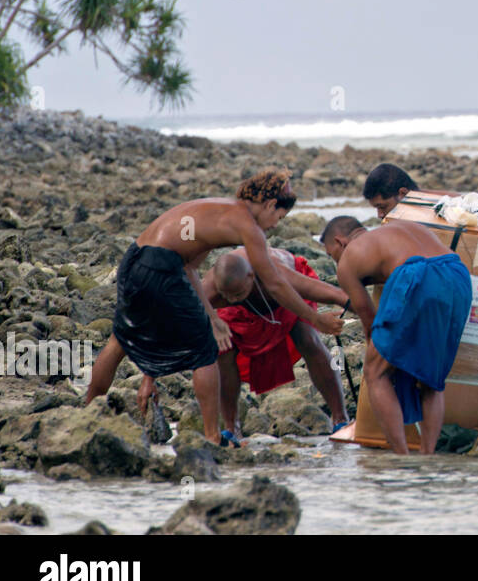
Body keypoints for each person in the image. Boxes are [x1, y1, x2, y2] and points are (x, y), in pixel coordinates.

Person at [83, 169, 345, 446]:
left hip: (135, 259)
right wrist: (316, 319)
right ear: (269, 205)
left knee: (119, 340)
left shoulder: (216, 213)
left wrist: (212, 317)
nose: (275, 226)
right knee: (205, 351)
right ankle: (212, 436)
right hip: (161, 264)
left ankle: (89, 412)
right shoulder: (248, 226)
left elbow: (190, 267)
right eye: (278, 218)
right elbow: (276, 284)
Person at [320, 215, 471, 454]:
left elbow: (369, 318)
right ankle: (427, 454)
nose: (334, 260)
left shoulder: (348, 260)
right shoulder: (399, 227)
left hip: (419, 276)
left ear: (340, 242)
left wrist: (379, 354)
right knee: (431, 379)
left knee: (375, 372)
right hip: (457, 274)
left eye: (331, 254)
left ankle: (402, 456)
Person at [203, 246, 351, 441]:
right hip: (242, 310)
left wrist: (374, 323)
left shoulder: (276, 275)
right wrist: (213, 321)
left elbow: (337, 295)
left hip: (282, 296)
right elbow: (172, 319)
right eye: (226, 296)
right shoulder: (212, 290)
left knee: (307, 337)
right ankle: (232, 428)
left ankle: (340, 419)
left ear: (251, 277)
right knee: (223, 350)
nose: (231, 299)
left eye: (237, 294)